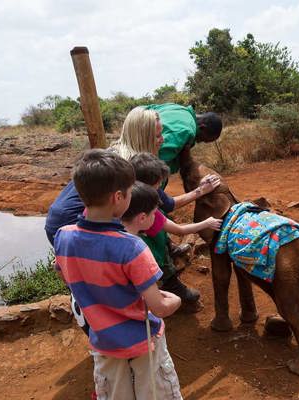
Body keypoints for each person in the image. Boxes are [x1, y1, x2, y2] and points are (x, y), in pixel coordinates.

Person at [53, 150, 183, 400]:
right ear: (119, 197)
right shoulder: (132, 247)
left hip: (103, 344)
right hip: (143, 344)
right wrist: (174, 299)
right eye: (130, 192)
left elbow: (65, 276)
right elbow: (159, 307)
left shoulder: (64, 237)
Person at [129, 152, 221, 304]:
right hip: (150, 255)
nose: (159, 188)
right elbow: (179, 230)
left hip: (137, 250)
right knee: (158, 253)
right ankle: (170, 282)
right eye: (157, 184)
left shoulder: (127, 203)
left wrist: (200, 189)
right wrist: (206, 223)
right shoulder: (153, 214)